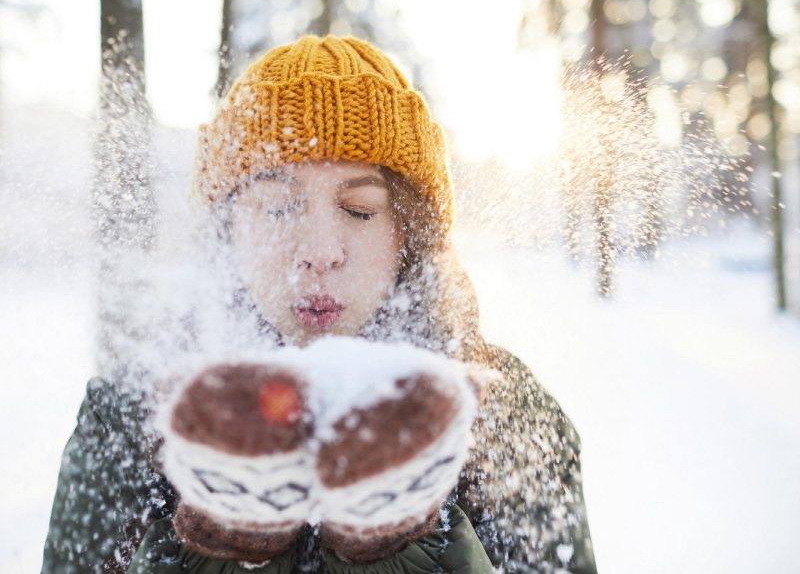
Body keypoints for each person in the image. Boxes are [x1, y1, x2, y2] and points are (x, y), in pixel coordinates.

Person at [42, 34, 598, 573]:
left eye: (358, 209)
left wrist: (409, 552)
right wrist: (208, 556)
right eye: (280, 206)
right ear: (227, 231)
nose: (318, 253)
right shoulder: (131, 413)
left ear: (410, 234)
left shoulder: (498, 411)